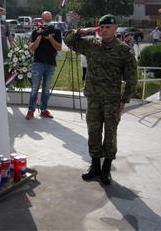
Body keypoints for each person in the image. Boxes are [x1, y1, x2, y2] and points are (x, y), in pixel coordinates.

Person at [64, 14, 137, 184]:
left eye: (108, 27)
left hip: (112, 100)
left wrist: (124, 100)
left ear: (115, 28)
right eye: (102, 27)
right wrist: (85, 30)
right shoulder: (91, 44)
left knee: (110, 133)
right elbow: (68, 39)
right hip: (94, 97)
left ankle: (106, 168)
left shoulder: (124, 50)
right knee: (93, 132)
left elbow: (132, 77)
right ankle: (95, 165)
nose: (104, 30)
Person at [25, 11, 62, 120]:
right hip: (38, 63)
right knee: (34, 88)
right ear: (41, 20)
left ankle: (44, 109)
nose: (47, 22)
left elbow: (59, 48)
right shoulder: (36, 31)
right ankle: (31, 110)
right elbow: (31, 48)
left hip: (50, 63)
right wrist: (40, 36)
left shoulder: (56, 31)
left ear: (52, 19)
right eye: (45, 20)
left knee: (46, 89)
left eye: (49, 20)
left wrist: (50, 37)